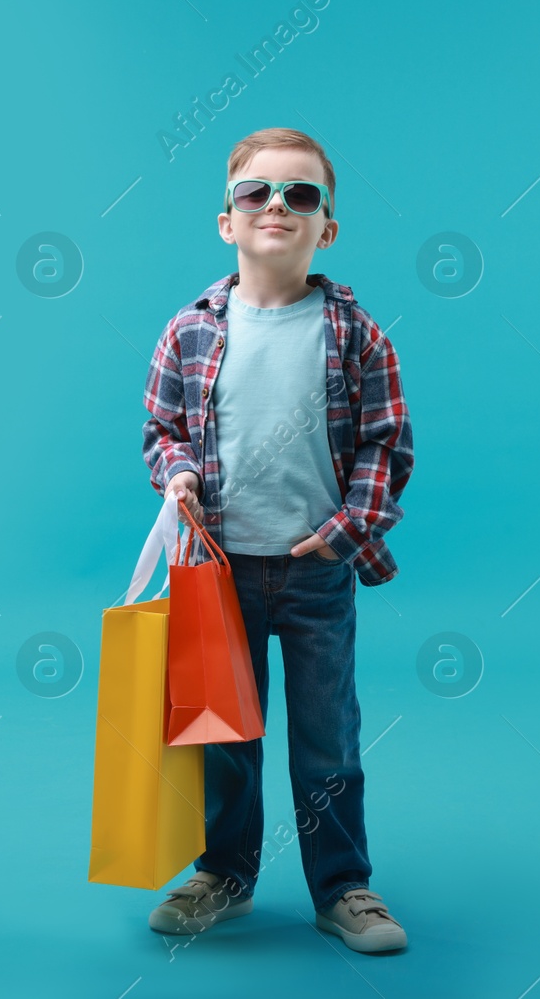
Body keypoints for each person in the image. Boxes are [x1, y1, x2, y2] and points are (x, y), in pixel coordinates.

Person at [138, 127, 414, 954]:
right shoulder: (189, 330)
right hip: (217, 573)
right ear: (228, 219)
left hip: (315, 572)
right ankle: (226, 871)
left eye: (302, 195)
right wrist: (178, 474)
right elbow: (162, 429)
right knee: (223, 731)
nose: (278, 207)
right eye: (258, 192)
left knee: (327, 731)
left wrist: (343, 533)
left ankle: (343, 885)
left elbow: (386, 441)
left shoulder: (355, 333)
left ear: (326, 228)